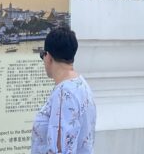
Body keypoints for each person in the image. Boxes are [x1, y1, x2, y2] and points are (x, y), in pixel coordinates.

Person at [31, 26, 96, 154]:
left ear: (48, 57)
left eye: (42, 55)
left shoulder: (64, 94)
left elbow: (60, 149)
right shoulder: (82, 85)